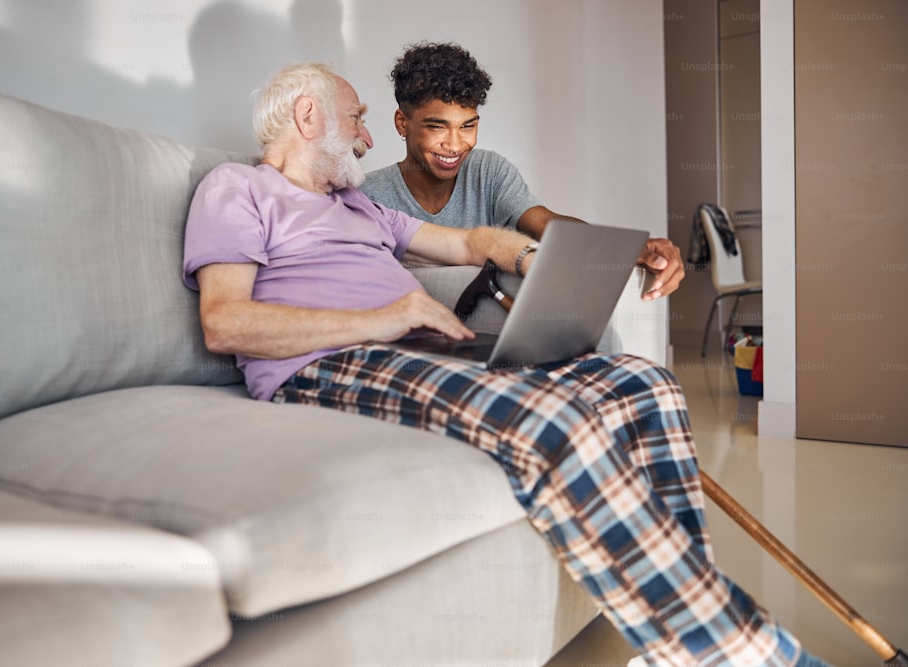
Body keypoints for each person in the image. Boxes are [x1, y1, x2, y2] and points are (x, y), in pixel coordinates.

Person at [181, 61, 829, 667]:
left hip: (415, 353)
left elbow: (469, 240)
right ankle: (738, 650)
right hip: (329, 364)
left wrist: (542, 261)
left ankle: (681, 643)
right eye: (356, 118)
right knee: (557, 417)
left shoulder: (357, 206)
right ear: (307, 116)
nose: (366, 136)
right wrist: (387, 318)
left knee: (644, 381)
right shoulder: (238, 189)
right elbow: (224, 323)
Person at [361, 41, 684, 302]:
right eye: (438, 127)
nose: (456, 144)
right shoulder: (370, 196)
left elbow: (544, 223)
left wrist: (629, 248)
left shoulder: (487, 171)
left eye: (468, 126)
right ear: (403, 123)